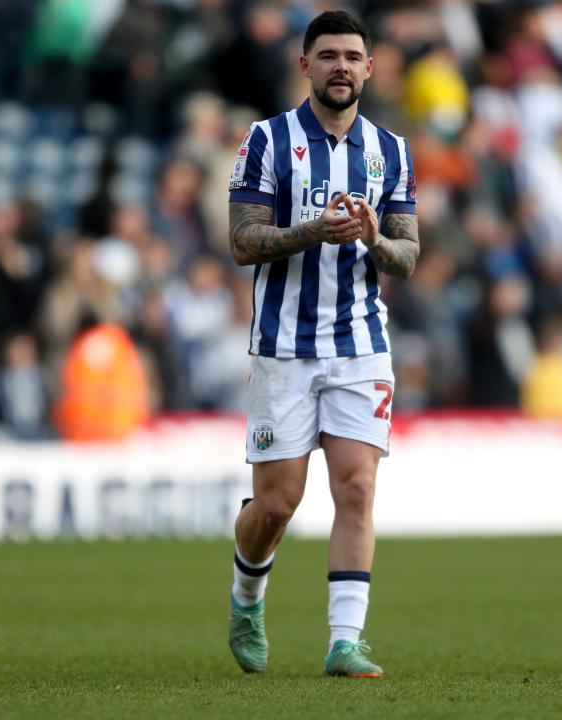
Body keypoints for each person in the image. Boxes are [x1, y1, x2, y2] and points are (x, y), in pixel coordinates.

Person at [226, 10, 419, 679]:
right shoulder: (267, 140)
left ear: (370, 68)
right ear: (304, 65)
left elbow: (408, 258)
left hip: (362, 345)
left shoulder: (390, 151)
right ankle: (247, 597)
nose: (341, 66)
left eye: (353, 56)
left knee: (358, 488)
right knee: (277, 505)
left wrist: (370, 238)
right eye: (328, 55)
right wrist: (313, 231)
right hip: (282, 345)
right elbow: (242, 241)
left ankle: (345, 641)